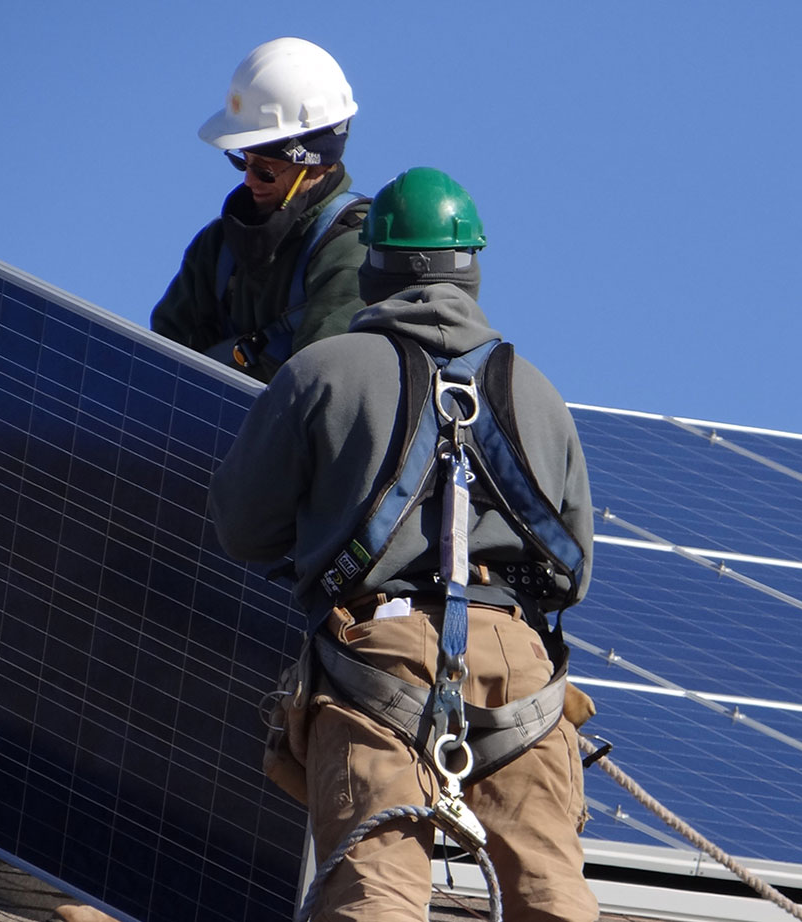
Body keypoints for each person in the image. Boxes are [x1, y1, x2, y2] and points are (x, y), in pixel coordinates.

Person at [209, 167, 599, 922]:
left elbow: (242, 528)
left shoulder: (319, 373)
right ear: (473, 267)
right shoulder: (540, 393)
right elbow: (572, 571)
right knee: (553, 899)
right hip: (518, 669)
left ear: (372, 267)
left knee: (375, 898)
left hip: (379, 656)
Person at [151, 37, 370, 383]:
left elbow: (317, 402)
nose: (249, 181)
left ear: (313, 166)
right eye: (243, 162)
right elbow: (154, 371)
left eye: (265, 170)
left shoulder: (351, 256)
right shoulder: (215, 250)